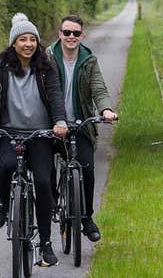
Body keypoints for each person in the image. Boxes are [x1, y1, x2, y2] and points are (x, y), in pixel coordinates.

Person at [0, 13, 68, 267]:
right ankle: (5, 203)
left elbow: (56, 96)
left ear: (37, 43)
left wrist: (60, 122)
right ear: (13, 43)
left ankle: (46, 242)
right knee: (5, 167)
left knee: (44, 181)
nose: (28, 44)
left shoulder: (47, 68)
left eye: (32, 40)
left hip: (40, 135)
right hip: (9, 132)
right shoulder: (0, 69)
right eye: (22, 39)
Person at [46, 14, 118, 243]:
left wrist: (106, 109)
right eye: (66, 32)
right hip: (52, 124)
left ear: (82, 36)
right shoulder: (48, 57)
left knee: (86, 169)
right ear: (60, 34)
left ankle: (87, 219)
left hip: (80, 124)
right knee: (44, 165)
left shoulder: (89, 59)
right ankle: (54, 201)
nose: (71, 37)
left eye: (75, 33)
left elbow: (98, 87)